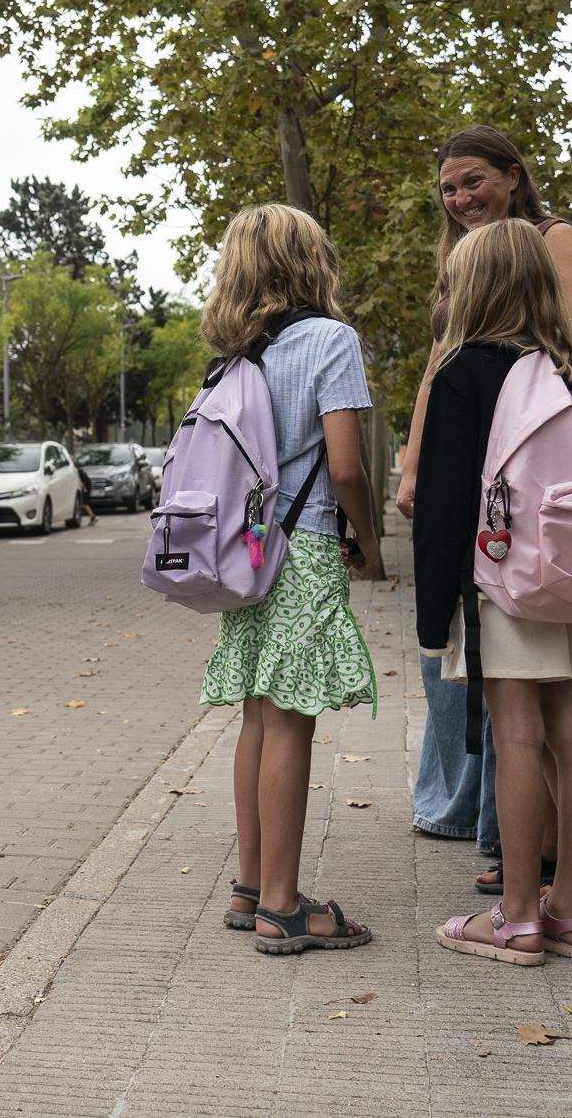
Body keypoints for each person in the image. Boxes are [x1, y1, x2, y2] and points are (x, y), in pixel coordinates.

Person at [398, 127, 572, 901]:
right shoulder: (465, 272)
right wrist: (414, 458)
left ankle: (529, 896)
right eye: (448, 188)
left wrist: (505, 366)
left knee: (525, 725)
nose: (461, 198)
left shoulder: (546, 243)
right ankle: (564, 887)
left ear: (514, 175)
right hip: (537, 518)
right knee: (566, 719)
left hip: (517, 523)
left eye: (474, 181)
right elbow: (436, 370)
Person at [417, 219, 572, 966]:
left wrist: (434, 614)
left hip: (502, 578)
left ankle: (518, 916)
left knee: (518, 735)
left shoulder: (466, 371)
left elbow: (442, 506)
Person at [196, 204, 381, 955]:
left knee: (255, 714)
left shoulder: (234, 357)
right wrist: (369, 542)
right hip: (303, 546)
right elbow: (346, 466)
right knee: (291, 718)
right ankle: (282, 906)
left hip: (246, 549)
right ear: (311, 261)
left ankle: (249, 885)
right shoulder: (331, 341)